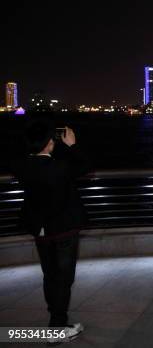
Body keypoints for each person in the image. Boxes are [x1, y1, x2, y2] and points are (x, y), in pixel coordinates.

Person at [11, 120, 90, 344]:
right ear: (48, 144)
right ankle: (56, 328)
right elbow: (85, 165)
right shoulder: (60, 167)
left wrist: (34, 144)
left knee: (50, 275)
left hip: (40, 230)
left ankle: (56, 320)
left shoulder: (22, 166)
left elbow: (16, 158)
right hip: (63, 230)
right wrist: (71, 145)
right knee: (64, 279)